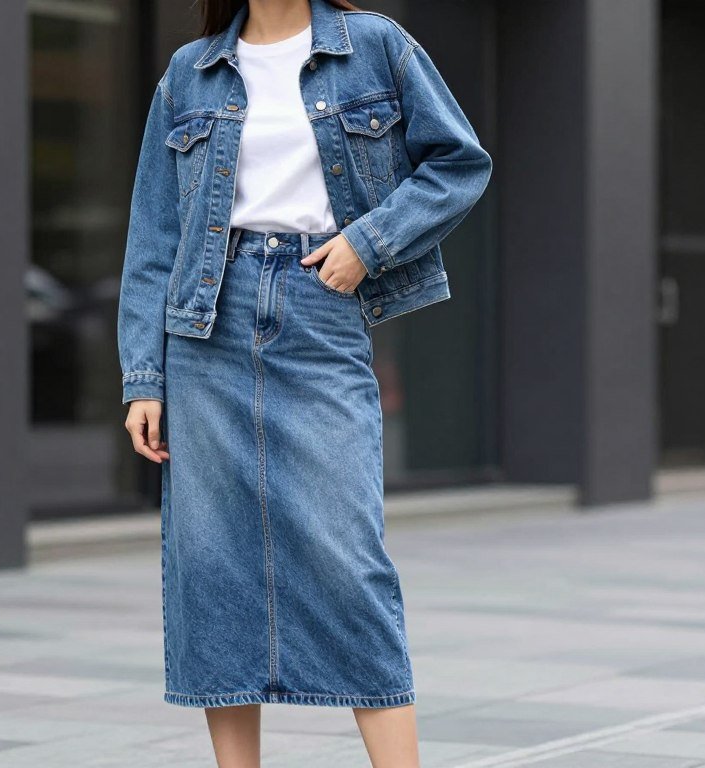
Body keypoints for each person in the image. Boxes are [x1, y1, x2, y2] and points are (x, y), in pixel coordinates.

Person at [117, 0, 492, 764]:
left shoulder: (376, 47)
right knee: (212, 563)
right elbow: (154, 237)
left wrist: (368, 243)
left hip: (321, 304)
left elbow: (460, 162)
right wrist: (143, 377)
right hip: (204, 326)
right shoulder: (188, 75)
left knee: (346, 556)